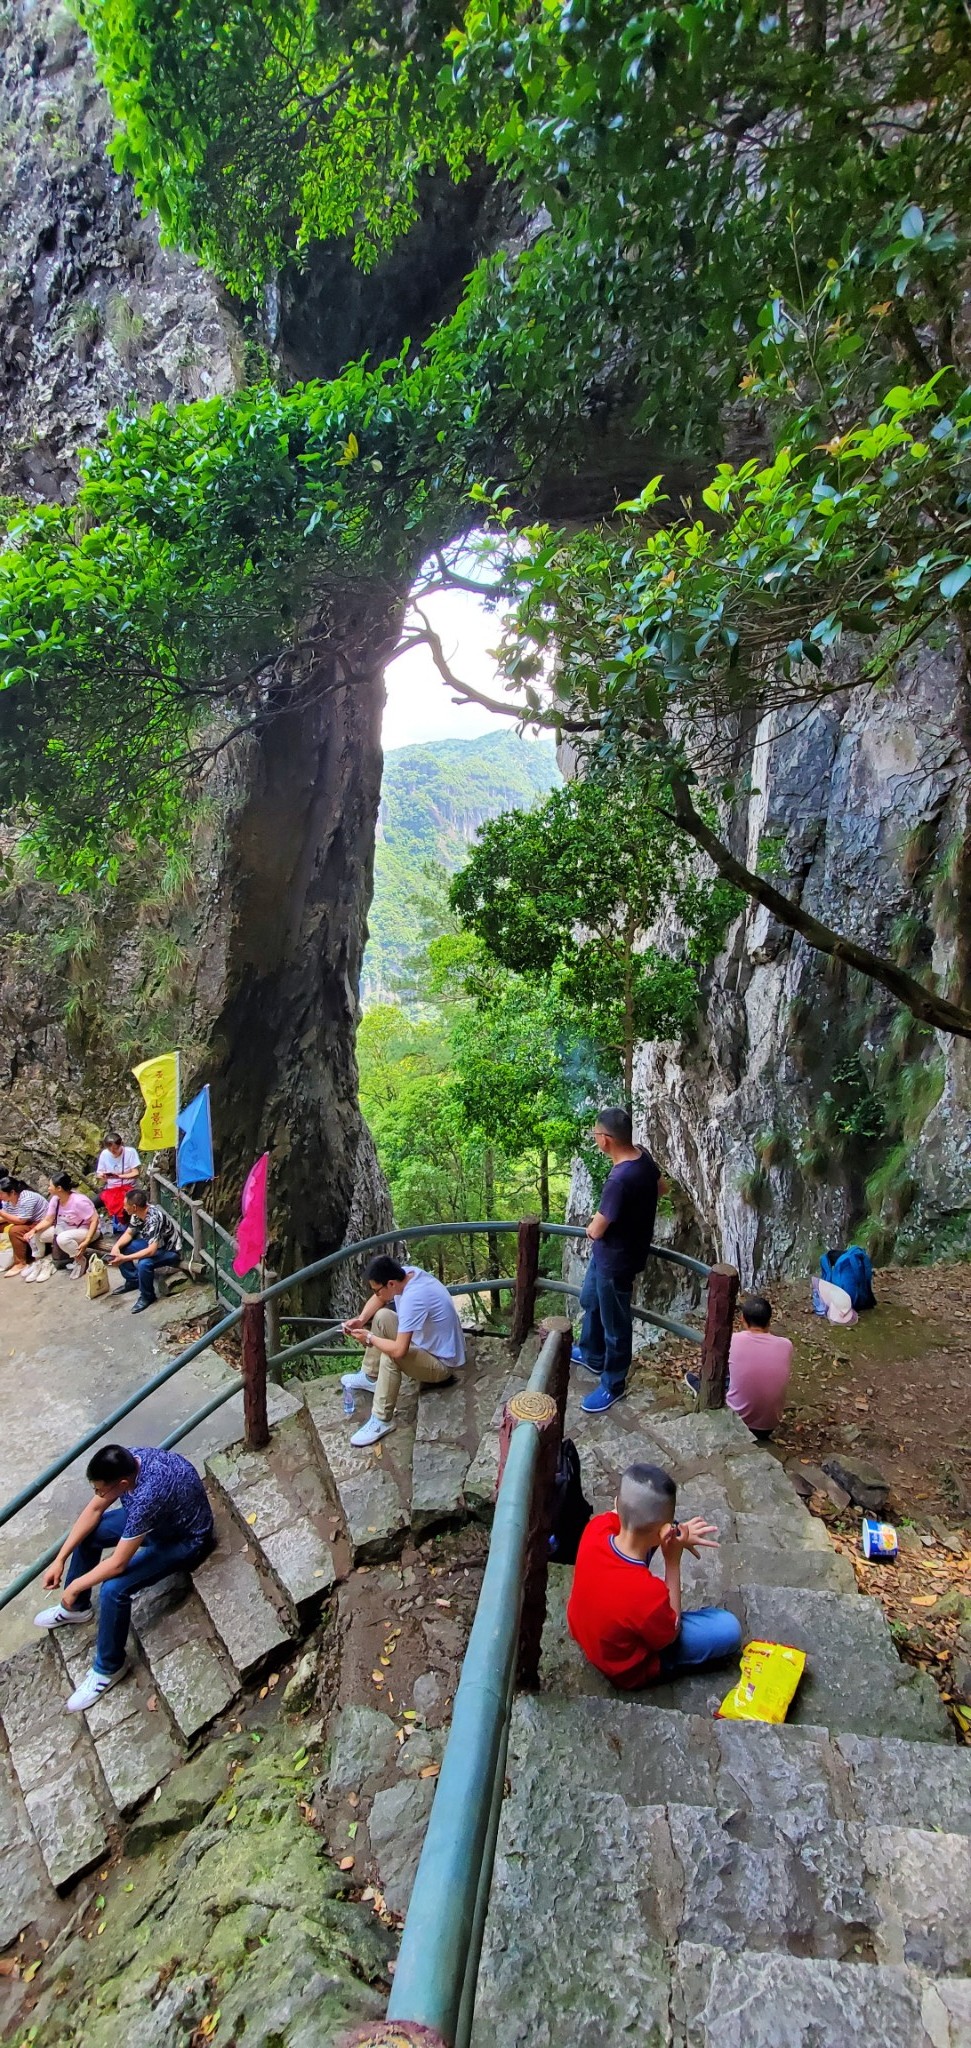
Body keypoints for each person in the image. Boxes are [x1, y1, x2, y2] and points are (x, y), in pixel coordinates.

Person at [33, 1442, 215, 1713]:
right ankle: (77, 1608)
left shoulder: (149, 1495)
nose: (98, 1495)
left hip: (184, 1539)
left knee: (113, 1589)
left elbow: (117, 1565)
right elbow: (93, 1512)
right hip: (158, 1522)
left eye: (101, 1490)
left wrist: (74, 1585)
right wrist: (59, 1559)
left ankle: (109, 1667)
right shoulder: (131, 1460)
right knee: (90, 1534)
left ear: (121, 1482)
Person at [567, 1461, 742, 1688]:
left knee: (636, 1537)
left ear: (617, 1503)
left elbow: (629, 1520)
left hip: (587, 1633)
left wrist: (674, 1533)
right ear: (663, 1530)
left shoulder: (597, 1527)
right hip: (625, 1668)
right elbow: (671, 1635)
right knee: (729, 1628)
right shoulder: (649, 1594)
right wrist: (672, 1561)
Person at [573, 1107, 661, 1415]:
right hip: (613, 1255)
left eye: (596, 1134)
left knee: (615, 1324)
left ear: (607, 1140)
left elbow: (596, 1229)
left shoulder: (619, 1180)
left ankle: (613, 1383)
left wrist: (592, 1226)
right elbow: (660, 1187)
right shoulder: (643, 1158)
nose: (595, 1139)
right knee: (590, 1301)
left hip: (616, 1260)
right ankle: (591, 1354)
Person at [340, 1254, 466, 1449]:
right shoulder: (407, 1275)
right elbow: (378, 1300)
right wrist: (362, 1319)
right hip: (427, 1344)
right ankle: (371, 1376)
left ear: (390, 1284)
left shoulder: (413, 1298)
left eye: (377, 1290)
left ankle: (382, 1419)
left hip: (442, 1364)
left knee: (392, 1357)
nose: (376, 1294)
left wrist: (369, 1338)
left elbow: (399, 1350)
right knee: (381, 1316)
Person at [685, 1294, 793, 1439]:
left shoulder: (733, 1341)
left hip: (739, 1421)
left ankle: (700, 1389)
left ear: (743, 1320)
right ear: (769, 1320)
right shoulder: (786, 1345)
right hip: (769, 1426)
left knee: (721, 1373)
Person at [107, 1184, 182, 1312]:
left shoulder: (153, 1218)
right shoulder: (137, 1214)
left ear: (134, 1207)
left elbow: (151, 1251)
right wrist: (117, 1247)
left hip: (168, 1250)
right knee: (125, 1247)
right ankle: (133, 1280)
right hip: (152, 1244)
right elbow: (129, 1232)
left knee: (144, 1263)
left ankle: (147, 1296)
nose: (124, 1208)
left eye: (125, 1205)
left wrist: (124, 1258)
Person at [28, 1173, 101, 1277]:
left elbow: (94, 1220)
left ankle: (80, 1260)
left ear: (59, 1188)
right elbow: (48, 1219)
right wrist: (33, 1230)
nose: (48, 1188)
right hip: (67, 1228)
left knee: (62, 1238)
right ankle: (39, 1262)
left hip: (89, 1230)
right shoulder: (55, 1199)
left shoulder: (79, 1201)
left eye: (50, 1186)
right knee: (38, 1234)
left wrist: (87, 1240)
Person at [0, 1176, 49, 1275]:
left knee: (15, 1230)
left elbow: (21, 1220)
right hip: (26, 1221)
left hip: (39, 1222)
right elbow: (7, 1217)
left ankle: (20, 1262)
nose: (0, 1196)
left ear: (12, 1192)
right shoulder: (7, 1201)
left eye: (1, 1193)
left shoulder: (27, 1198)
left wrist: (1, 1213)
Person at [94, 1132, 141, 1234]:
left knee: (125, 1207)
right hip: (111, 1189)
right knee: (91, 1203)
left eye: (115, 1149)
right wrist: (102, 1176)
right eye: (110, 1149)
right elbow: (99, 1173)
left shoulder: (130, 1152)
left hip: (128, 1187)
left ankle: (127, 1231)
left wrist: (119, 1176)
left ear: (121, 1145)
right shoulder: (105, 1154)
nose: (113, 1151)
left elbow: (136, 1173)